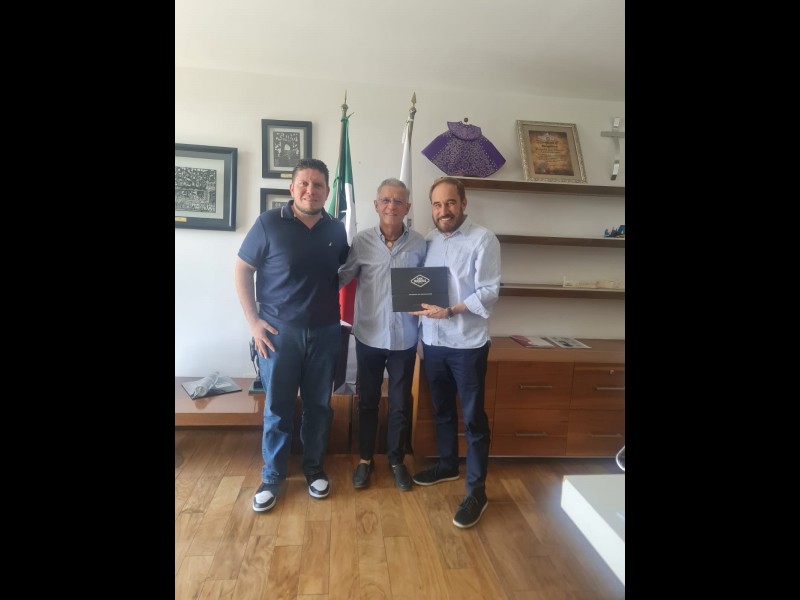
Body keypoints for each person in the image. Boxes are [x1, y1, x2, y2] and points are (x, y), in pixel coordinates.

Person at [235, 158, 349, 512]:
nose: (310, 190)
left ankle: (314, 469)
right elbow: (242, 269)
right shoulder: (268, 223)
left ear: (327, 192)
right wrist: (254, 323)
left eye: (318, 185)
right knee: (277, 408)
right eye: (304, 183)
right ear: (292, 188)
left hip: (326, 333)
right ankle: (272, 477)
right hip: (278, 335)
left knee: (319, 407)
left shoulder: (337, 230)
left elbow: (344, 275)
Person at [410, 176, 501, 528]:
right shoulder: (428, 240)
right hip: (432, 342)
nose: (443, 210)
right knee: (443, 410)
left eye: (450, 203)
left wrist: (450, 311)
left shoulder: (483, 239)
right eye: (437, 204)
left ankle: (477, 492)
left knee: (473, 418)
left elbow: (489, 291)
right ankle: (448, 465)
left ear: (463, 203)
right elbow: (420, 286)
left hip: (467, 345)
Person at [338, 178, 426, 491]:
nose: (392, 206)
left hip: (404, 339)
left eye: (398, 201)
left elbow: (429, 284)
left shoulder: (420, 244)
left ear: (407, 207)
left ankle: (396, 461)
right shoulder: (362, 242)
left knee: (400, 404)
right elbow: (343, 277)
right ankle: (365, 459)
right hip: (369, 337)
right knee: (367, 401)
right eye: (386, 200)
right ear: (376, 205)